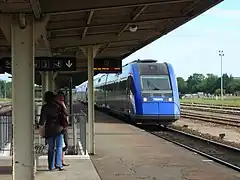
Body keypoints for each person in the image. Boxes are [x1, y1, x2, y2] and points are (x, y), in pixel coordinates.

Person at [39, 91, 65, 171]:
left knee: (51, 148)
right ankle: (59, 164)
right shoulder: (59, 106)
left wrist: (41, 131)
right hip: (59, 129)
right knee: (59, 147)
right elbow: (65, 114)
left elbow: (42, 121)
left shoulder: (45, 107)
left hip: (49, 129)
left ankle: (51, 166)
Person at [54, 90, 70, 167]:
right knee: (62, 145)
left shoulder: (60, 104)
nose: (62, 98)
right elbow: (66, 114)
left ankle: (59, 162)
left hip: (62, 126)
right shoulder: (59, 105)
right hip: (61, 127)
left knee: (62, 145)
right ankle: (59, 162)